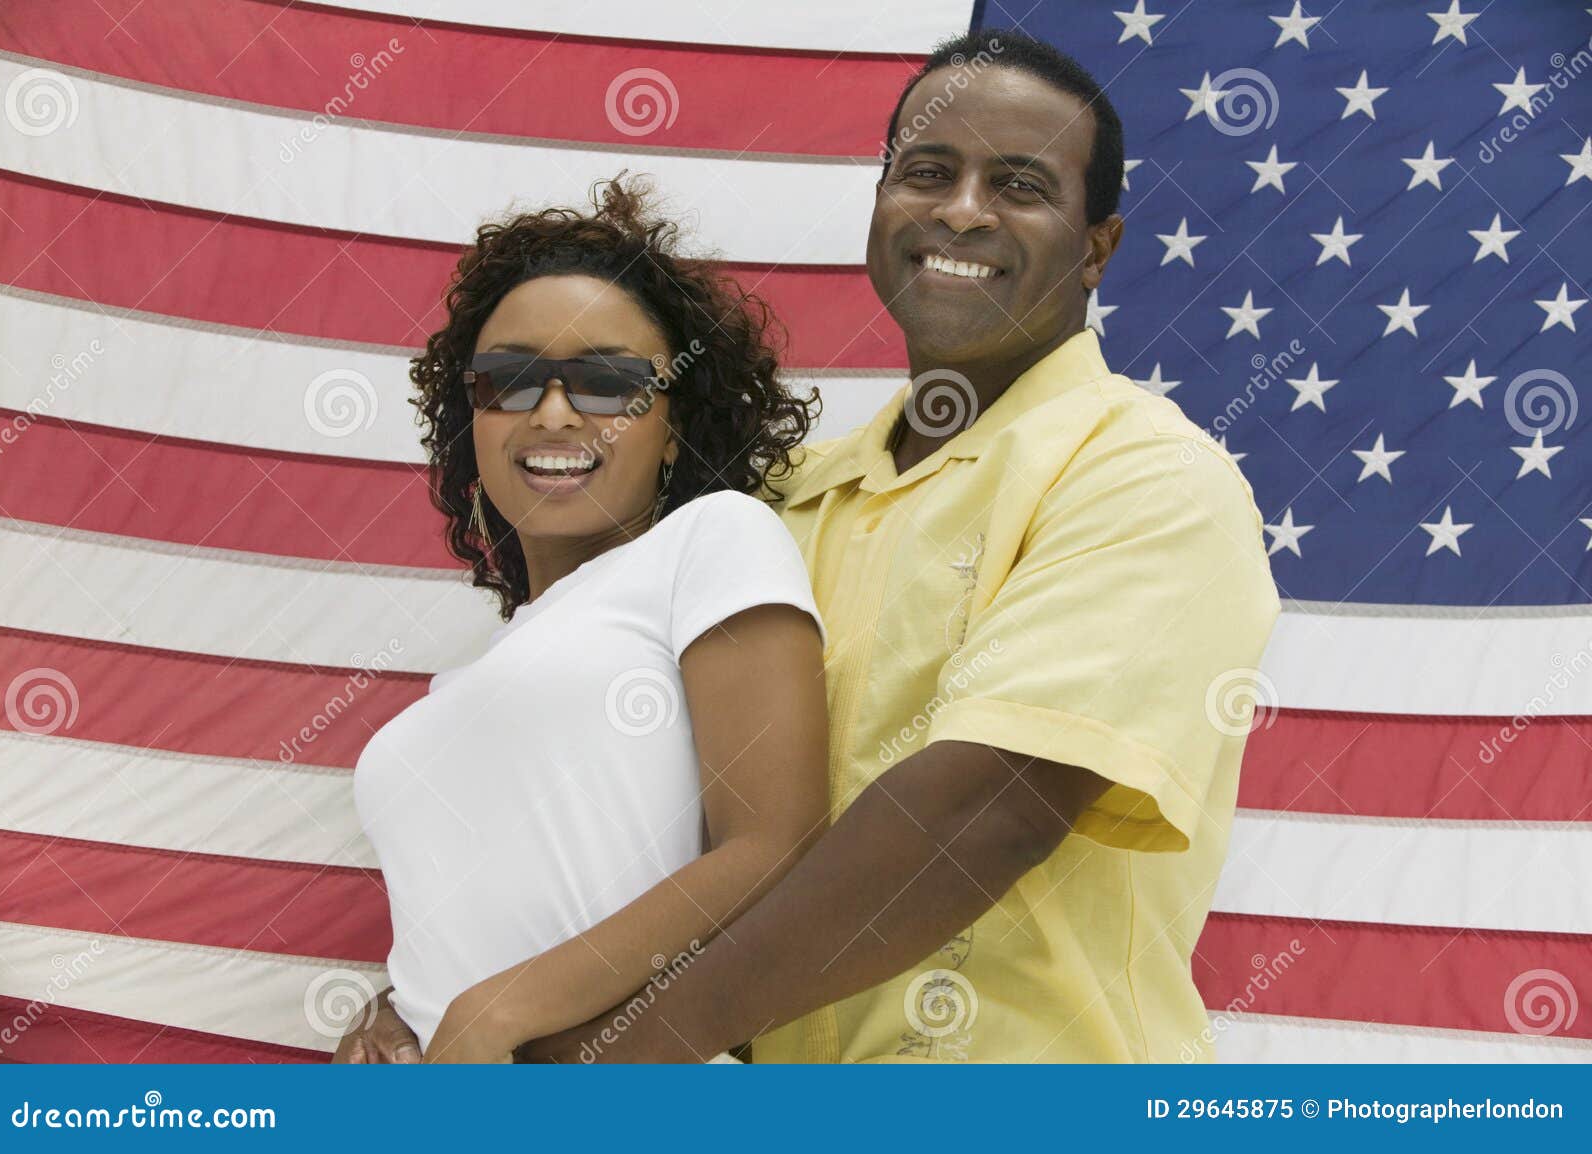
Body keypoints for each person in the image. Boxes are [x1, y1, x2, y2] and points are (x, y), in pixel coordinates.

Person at [508, 29, 1282, 1063]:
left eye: (1017, 184)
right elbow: (610, 798)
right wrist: (461, 990)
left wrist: (621, 1052)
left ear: (1095, 247)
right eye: (926, 171)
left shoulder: (1148, 477)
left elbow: (979, 814)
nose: (961, 208)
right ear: (880, 205)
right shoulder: (775, 504)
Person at [333, 179, 829, 1063]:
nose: (554, 412)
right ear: (472, 421)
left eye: (608, 383)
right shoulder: (484, 667)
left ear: (674, 426)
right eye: (512, 381)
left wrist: (502, 1009)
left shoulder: (715, 540)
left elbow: (777, 845)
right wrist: (393, 1012)